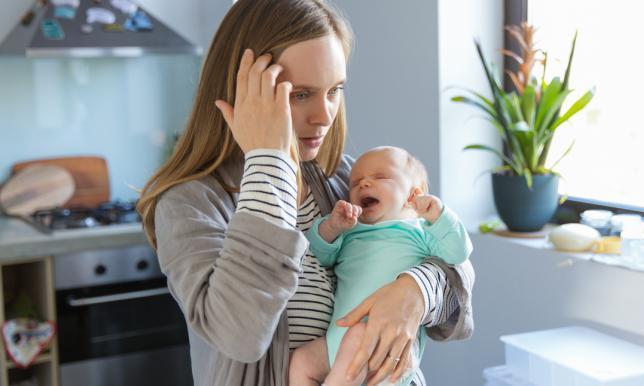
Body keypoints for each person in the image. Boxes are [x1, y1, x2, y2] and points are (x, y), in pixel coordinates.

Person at [135, 1, 475, 385]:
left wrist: (414, 291)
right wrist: (268, 162)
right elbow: (240, 335)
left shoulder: (343, 179)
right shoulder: (190, 204)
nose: (324, 115)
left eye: (335, 90)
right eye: (300, 95)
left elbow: (457, 287)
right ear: (242, 94)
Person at [289, 146, 473, 386]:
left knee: (358, 336)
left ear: (412, 195)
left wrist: (440, 217)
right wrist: (332, 228)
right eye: (355, 183)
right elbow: (318, 256)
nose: (363, 184)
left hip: (384, 346)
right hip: (335, 342)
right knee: (302, 361)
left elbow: (457, 254)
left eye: (380, 177)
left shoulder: (420, 232)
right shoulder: (350, 230)